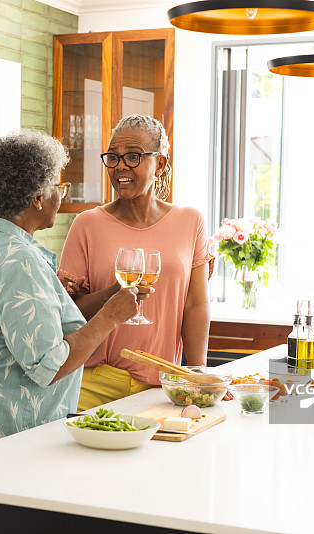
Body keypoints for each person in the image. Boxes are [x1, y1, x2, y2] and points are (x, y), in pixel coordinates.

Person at [0, 130, 138, 534]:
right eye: (58, 183)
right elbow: (49, 364)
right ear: (37, 196)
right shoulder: (20, 261)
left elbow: (57, 319)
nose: (61, 193)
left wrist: (115, 296)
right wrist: (111, 318)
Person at [58, 114, 215, 411]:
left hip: (163, 386)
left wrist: (196, 370)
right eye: (113, 158)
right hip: (93, 382)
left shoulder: (191, 221)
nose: (120, 167)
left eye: (133, 157)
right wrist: (113, 295)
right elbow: (69, 313)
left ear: (160, 164)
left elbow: (195, 304)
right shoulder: (87, 224)